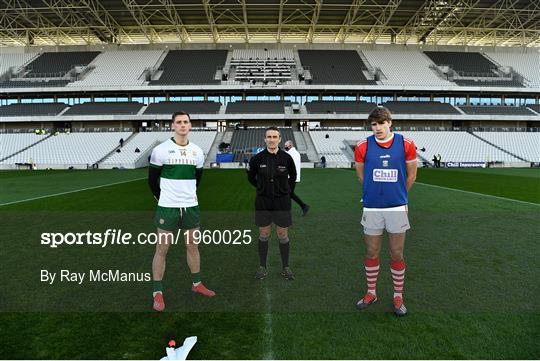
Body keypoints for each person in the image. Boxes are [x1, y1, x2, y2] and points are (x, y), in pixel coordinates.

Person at [148, 111, 215, 312]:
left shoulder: (197, 152)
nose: (183, 125)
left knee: (193, 246)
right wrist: (162, 198)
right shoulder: (161, 150)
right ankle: (157, 292)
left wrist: (188, 196)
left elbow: (198, 179)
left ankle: (197, 284)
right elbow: (152, 181)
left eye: (186, 122)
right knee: (162, 249)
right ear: (173, 126)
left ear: (190, 125)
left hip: (191, 207)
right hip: (167, 208)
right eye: (179, 122)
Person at [354, 106, 417, 317]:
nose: (378, 128)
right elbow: (362, 177)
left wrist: (399, 197)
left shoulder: (406, 143)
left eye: (381, 123)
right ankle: (371, 292)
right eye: (374, 124)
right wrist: (375, 194)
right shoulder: (363, 146)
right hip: (371, 206)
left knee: (396, 253)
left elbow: (411, 176)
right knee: (372, 252)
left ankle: (398, 295)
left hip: (397, 207)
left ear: (390, 122)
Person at [247, 127, 297, 280]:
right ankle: (262, 266)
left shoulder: (287, 158)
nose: (272, 139)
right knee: (264, 234)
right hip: (263, 201)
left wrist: (285, 191)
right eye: (269, 137)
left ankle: (286, 267)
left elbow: (293, 177)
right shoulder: (257, 159)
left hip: (282, 202)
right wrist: (262, 188)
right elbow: (251, 177)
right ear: (265, 139)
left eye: (275, 137)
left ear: (280, 139)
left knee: (282, 234)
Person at [284, 140, 310, 216]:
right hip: (290, 177)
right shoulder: (290, 153)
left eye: (286, 145)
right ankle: (304, 206)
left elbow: (291, 166)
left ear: (290, 145)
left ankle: (303, 206)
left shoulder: (294, 154)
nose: (285, 147)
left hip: (291, 177)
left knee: (288, 193)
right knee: (289, 193)